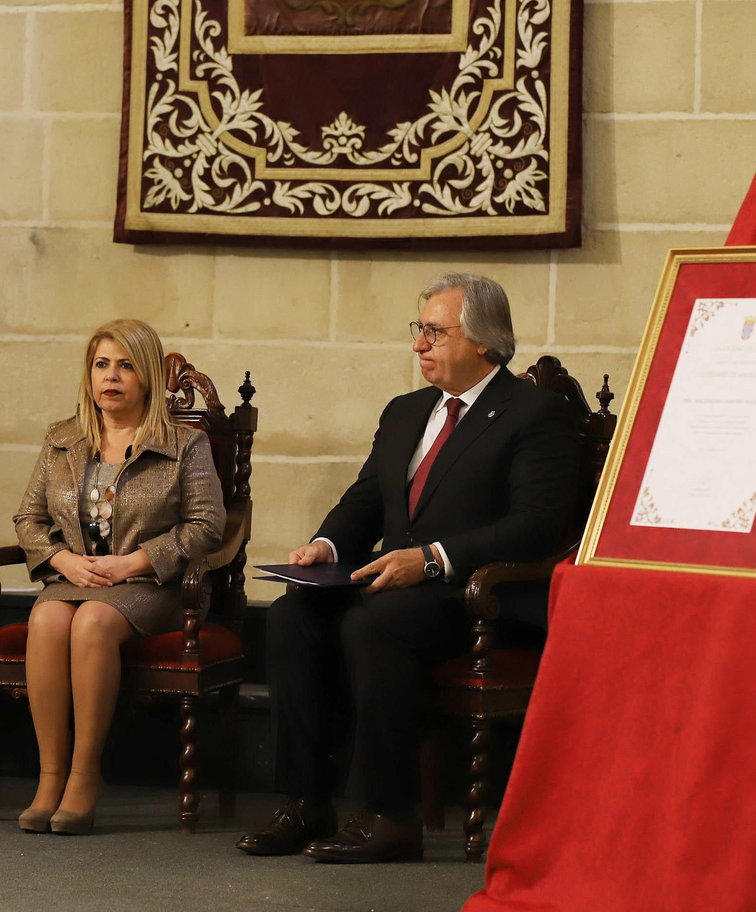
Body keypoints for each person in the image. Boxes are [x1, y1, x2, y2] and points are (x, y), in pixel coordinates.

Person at [237, 273, 583, 863]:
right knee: (293, 616)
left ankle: (390, 816)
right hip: (391, 582)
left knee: (372, 626)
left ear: (483, 342)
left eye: (435, 332)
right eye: (418, 329)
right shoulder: (406, 411)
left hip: (475, 595)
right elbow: (367, 498)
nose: (419, 345)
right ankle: (304, 802)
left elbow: (539, 524)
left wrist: (433, 560)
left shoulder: (534, 415)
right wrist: (326, 543)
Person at [12, 319, 226, 835]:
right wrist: (61, 561)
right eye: (101, 364)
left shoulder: (184, 444)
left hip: (155, 584)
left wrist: (132, 563)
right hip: (78, 575)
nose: (111, 376)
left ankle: (85, 777)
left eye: (126, 366)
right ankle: (49, 777)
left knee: (91, 624)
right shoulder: (62, 438)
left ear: (147, 376)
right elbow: (29, 518)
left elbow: (209, 526)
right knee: (45, 620)